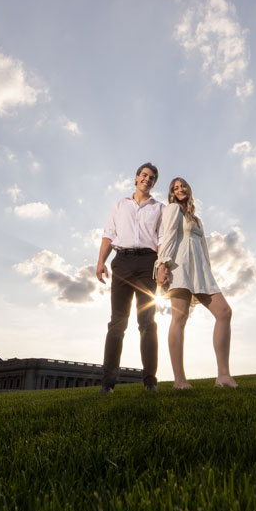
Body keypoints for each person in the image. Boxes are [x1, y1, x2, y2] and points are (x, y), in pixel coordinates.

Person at [155, 177, 237, 389]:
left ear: (189, 189)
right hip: (180, 268)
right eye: (175, 187)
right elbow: (169, 237)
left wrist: (208, 273)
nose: (180, 189)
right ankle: (179, 380)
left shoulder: (196, 219)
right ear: (172, 193)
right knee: (179, 318)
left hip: (200, 272)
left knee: (224, 312)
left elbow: (203, 249)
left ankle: (223, 376)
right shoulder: (173, 209)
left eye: (183, 186)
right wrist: (162, 265)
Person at [96, 162, 164, 393]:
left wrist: (162, 265)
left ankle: (150, 382)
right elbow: (109, 235)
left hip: (147, 263)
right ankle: (107, 383)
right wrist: (101, 262)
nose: (147, 179)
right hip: (122, 262)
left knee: (147, 322)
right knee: (117, 322)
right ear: (136, 178)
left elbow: (162, 239)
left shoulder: (159, 208)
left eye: (152, 177)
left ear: (154, 183)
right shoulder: (119, 205)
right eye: (144, 175)